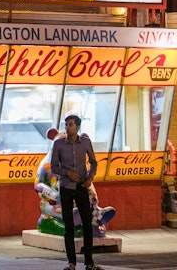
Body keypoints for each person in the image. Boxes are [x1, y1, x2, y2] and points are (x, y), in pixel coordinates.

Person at [50, 114, 102, 270]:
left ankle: (89, 262)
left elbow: (93, 162)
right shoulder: (58, 144)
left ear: (78, 126)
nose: (67, 127)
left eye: (70, 124)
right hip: (66, 188)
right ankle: (71, 263)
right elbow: (54, 167)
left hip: (81, 187)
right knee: (69, 226)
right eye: (66, 124)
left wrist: (90, 178)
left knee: (87, 224)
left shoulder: (85, 142)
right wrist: (67, 173)